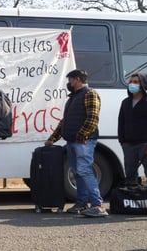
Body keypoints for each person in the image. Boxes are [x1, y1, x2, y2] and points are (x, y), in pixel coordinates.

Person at [45, 69, 108, 217]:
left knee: (84, 170)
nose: (69, 83)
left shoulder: (89, 94)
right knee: (78, 172)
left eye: (71, 80)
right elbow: (65, 122)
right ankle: (81, 203)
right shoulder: (73, 97)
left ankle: (98, 205)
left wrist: (81, 135)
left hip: (83, 141)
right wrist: (52, 139)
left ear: (78, 80)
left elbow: (93, 118)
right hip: (73, 141)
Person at [118, 73, 147, 189]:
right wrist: (122, 141)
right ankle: (132, 199)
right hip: (128, 145)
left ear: (143, 84)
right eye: (131, 82)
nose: (132, 84)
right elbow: (121, 122)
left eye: (136, 82)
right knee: (130, 175)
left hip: (146, 145)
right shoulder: (125, 102)